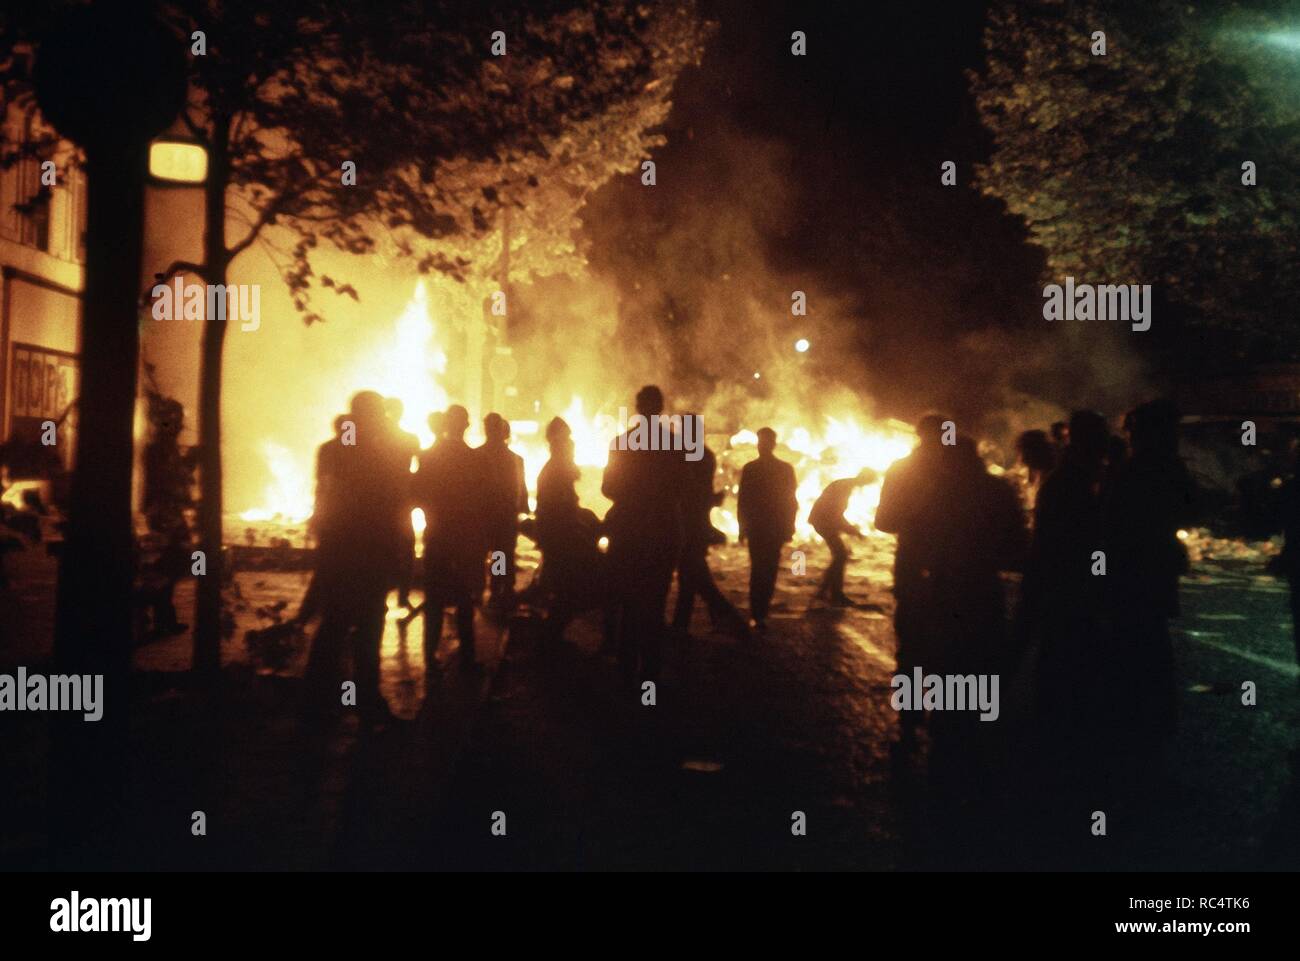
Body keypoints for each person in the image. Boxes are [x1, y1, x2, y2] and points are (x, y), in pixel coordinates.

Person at [302, 391, 406, 729]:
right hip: (366, 556)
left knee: (334, 626)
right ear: (372, 417)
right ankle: (362, 706)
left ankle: (320, 703)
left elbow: (326, 495)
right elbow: (391, 508)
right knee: (365, 632)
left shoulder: (335, 450)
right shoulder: (374, 455)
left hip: (341, 554)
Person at [1103, 399, 1195, 746]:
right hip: (1154, 569)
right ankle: (1154, 716)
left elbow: (1113, 524)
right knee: (1151, 640)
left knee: (1137, 640)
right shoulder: (1168, 468)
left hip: (1134, 571)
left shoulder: (1139, 469)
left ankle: (1140, 718)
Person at [1022, 409, 1110, 750]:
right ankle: (1056, 742)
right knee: (1063, 658)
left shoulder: (1079, 478)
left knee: (1066, 659)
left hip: (1069, 587)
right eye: (1098, 436)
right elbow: (1076, 543)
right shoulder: (1069, 482)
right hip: (1068, 588)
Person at [602, 385, 687, 685]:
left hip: (629, 532)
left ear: (638, 408)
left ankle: (626, 670)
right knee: (654, 602)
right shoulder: (676, 446)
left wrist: (632, 497)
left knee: (627, 599)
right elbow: (684, 489)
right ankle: (649, 674)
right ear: (661, 408)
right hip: (663, 532)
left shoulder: (621, 444)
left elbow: (608, 489)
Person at [413, 404, 483, 672]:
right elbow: (484, 503)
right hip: (465, 542)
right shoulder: (476, 460)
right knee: (466, 600)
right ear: (466, 425)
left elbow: (416, 496)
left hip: (437, 538)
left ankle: (430, 658)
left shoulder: (428, 457)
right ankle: (468, 659)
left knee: (434, 600)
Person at [671, 426, 746, 637]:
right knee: (691, 577)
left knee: (697, 579)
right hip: (696, 524)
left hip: (687, 525)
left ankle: (732, 622)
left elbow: (689, 493)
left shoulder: (686, 456)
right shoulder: (703, 456)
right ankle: (681, 625)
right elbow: (701, 493)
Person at [534, 417, 603, 642]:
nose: (572, 444)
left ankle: (546, 634)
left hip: (557, 536)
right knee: (568, 591)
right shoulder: (555, 471)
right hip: (559, 538)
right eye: (567, 439)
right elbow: (558, 511)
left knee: (559, 586)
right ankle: (547, 638)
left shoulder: (557, 470)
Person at [139, 395, 195, 637]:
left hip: (169, 514)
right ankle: (151, 614)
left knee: (171, 567)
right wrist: (189, 465)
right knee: (167, 566)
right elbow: (168, 482)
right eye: (177, 420)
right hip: (165, 516)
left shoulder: (166, 448)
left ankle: (162, 617)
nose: (181, 425)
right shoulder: (158, 450)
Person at [737, 427, 798, 631]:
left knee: (763, 569)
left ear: (770, 444)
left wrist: (789, 525)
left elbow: (790, 500)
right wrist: (742, 527)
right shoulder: (781, 469)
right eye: (761, 441)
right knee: (765, 569)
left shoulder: (755, 469)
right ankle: (759, 612)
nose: (762, 445)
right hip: (766, 527)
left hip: (764, 527)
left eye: (764, 441)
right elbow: (744, 501)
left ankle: (759, 612)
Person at [477, 412, 529, 611]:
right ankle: (500, 586)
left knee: (492, 552)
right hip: (504, 514)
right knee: (501, 552)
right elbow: (520, 487)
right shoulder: (515, 459)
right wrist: (522, 508)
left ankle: (492, 587)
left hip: (487, 514)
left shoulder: (477, 455)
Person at [808, 468, 876, 606]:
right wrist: (853, 531)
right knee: (841, 555)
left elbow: (836, 514)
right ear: (864, 478)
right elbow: (835, 513)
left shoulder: (845, 485)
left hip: (823, 520)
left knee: (839, 555)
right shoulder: (844, 487)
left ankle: (826, 591)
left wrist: (850, 530)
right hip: (823, 521)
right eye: (868, 482)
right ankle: (834, 594)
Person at [383, 398, 421, 610]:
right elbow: (421, 468)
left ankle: (384, 595)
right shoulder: (409, 439)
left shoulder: (376, 440)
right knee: (406, 548)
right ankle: (402, 596)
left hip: (382, 503)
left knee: (387, 548)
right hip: (401, 500)